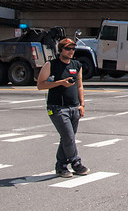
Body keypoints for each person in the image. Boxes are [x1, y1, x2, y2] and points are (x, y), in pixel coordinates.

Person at [36, 38, 90, 178]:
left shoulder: (77, 65)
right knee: (68, 137)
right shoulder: (51, 65)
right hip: (57, 108)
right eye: (68, 48)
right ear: (60, 50)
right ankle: (76, 163)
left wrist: (82, 104)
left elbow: (79, 86)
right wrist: (60, 83)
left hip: (74, 107)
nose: (71, 51)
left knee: (67, 138)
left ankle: (61, 166)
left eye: (73, 49)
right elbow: (40, 85)